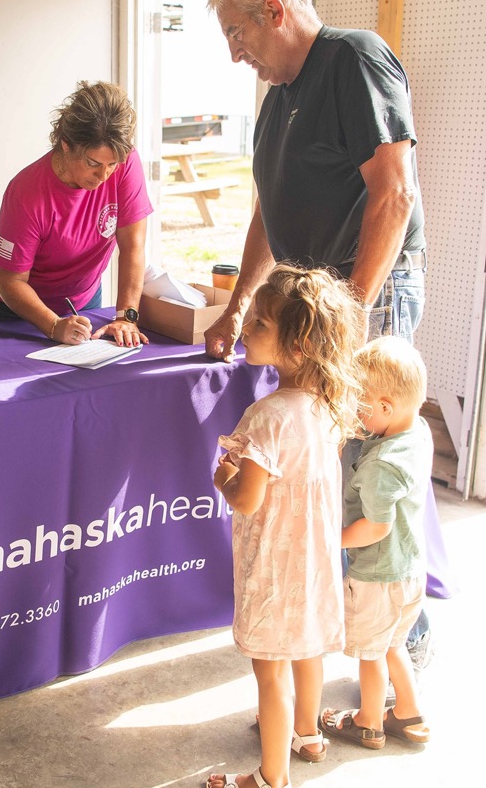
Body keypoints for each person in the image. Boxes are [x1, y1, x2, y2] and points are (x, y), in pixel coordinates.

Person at [203, 0, 435, 684]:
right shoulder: (278, 98)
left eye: (237, 34)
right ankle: (333, 639)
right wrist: (238, 305)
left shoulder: (352, 61)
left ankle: (399, 649)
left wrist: (350, 313)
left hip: (364, 297)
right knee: (325, 473)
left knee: (369, 477)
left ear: (274, 9)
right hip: (317, 309)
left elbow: (393, 194)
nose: (235, 55)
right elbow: (267, 213)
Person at [208, 265, 366, 788]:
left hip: (276, 569)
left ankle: (271, 777)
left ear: (297, 345)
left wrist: (223, 477)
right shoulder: (329, 407)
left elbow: (247, 500)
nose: (246, 329)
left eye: (259, 324)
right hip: (315, 562)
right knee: (307, 649)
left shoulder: (266, 417)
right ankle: (308, 733)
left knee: (271, 673)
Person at [0, 80, 152, 347]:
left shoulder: (125, 164)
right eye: (93, 163)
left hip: (81, 299)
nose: (104, 175)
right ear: (66, 145)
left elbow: (132, 247)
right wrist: (53, 325)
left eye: (112, 164)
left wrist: (126, 317)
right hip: (11, 307)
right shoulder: (25, 192)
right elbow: (10, 280)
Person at [320, 336, 433, 751]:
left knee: (370, 654)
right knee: (393, 644)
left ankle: (368, 722)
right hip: (410, 570)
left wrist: (329, 540)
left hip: (377, 577)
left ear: (386, 407)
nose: (354, 410)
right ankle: (409, 713)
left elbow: (375, 528)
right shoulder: (418, 432)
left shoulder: (382, 464)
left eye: (359, 402)